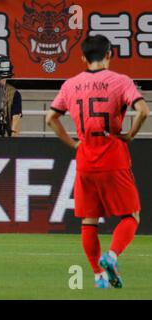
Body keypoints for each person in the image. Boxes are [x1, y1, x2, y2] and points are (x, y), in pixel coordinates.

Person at [46, 35, 150, 289]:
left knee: (89, 221)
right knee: (131, 215)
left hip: (85, 158)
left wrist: (73, 144)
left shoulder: (70, 85)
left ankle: (97, 276)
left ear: (82, 57)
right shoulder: (120, 81)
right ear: (109, 54)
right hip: (112, 154)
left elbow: (51, 118)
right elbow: (143, 111)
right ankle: (111, 256)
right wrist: (130, 134)